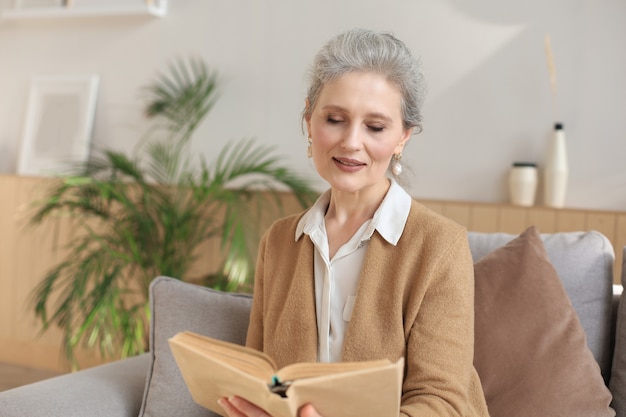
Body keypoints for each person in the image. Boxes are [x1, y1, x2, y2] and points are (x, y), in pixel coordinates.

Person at [219, 28, 489, 417]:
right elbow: (267, 377)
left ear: (403, 137)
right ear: (309, 119)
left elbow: (443, 404)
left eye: (375, 127)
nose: (350, 142)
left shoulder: (439, 246)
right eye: (334, 119)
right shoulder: (278, 242)